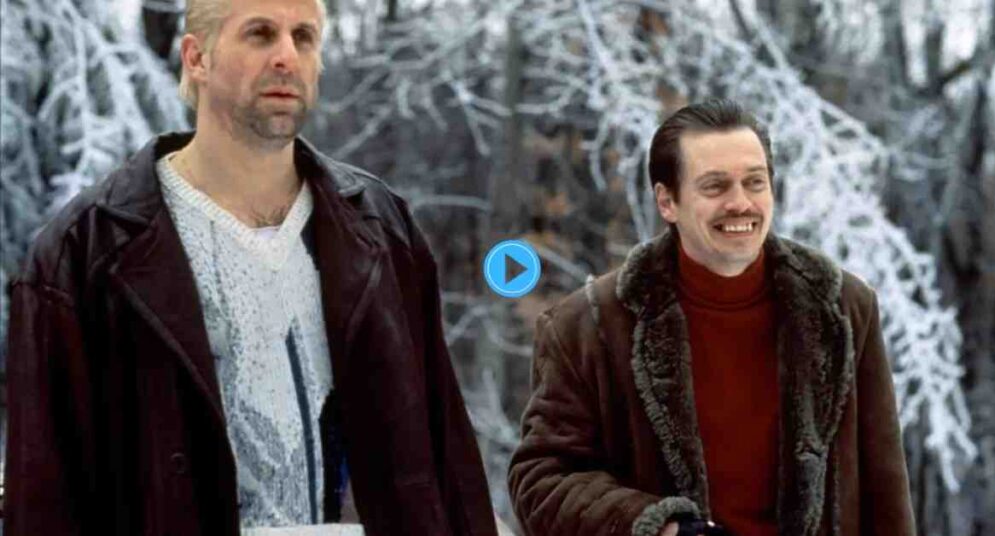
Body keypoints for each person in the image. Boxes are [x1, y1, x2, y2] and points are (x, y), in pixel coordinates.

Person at [3, 0, 498, 534]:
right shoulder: (85, 252)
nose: (287, 56)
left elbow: (449, 460)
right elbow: (45, 500)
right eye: (260, 34)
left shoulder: (381, 228)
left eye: (303, 37)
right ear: (197, 58)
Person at [508, 100, 915, 536]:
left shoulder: (843, 308)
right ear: (668, 201)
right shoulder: (587, 327)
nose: (740, 203)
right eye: (715, 186)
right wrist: (659, 527)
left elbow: (885, 494)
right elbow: (541, 482)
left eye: (754, 182)